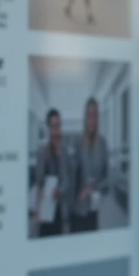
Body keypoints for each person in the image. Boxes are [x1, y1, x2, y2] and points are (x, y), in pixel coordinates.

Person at [71, 97, 109, 233]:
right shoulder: (77, 142)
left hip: (94, 207)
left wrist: (92, 188)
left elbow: (107, 178)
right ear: (85, 118)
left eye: (95, 115)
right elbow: (71, 173)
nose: (92, 120)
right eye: (89, 115)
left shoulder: (102, 143)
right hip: (78, 208)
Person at [32, 108, 69, 237]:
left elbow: (66, 180)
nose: (55, 131)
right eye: (53, 127)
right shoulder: (42, 152)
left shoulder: (64, 151)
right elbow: (38, 183)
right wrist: (36, 210)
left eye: (58, 126)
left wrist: (59, 155)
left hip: (59, 210)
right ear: (48, 128)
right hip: (45, 210)